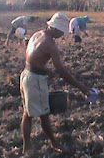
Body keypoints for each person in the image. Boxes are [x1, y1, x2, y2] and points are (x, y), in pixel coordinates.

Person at [20, 12, 93, 154]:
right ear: (56, 29)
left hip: (26, 75)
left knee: (27, 113)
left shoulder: (38, 34)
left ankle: (27, 146)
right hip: (35, 80)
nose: (61, 35)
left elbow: (32, 56)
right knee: (44, 114)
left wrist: (46, 71)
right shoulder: (50, 44)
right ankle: (54, 143)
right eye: (61, 32)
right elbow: (62, 71)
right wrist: (82, 88)